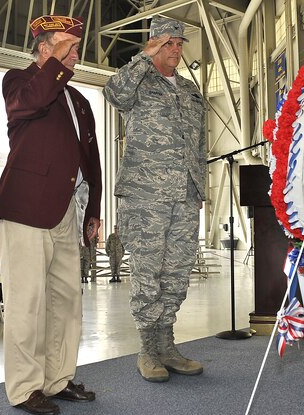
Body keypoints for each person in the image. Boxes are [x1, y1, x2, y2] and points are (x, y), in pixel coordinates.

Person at [0, 14, 102, 415]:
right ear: (45, 50)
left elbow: (90, 159)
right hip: (25, 209)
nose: (76, 56)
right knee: (27, 302)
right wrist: (54, 63)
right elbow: (32, 102)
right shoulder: (19, 82)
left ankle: (57, 379)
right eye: (69, 48)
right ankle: (24, 388)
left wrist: (93, 208)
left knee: (66, 301)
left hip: (66, 213)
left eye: (76, 49)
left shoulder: (78, 100)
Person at [104, 16, 206, 383]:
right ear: (153, 45)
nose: (175, 50)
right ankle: (147, 349)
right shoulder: (138, 81)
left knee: (177, 273)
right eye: (167, 43)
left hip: (184, 196)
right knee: (148, 273)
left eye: (179, 44)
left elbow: (200, 146)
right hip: (145, 197)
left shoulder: (192, 92)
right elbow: (113, 94)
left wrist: (200, 190)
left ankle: (167, 345)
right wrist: (142, 58)